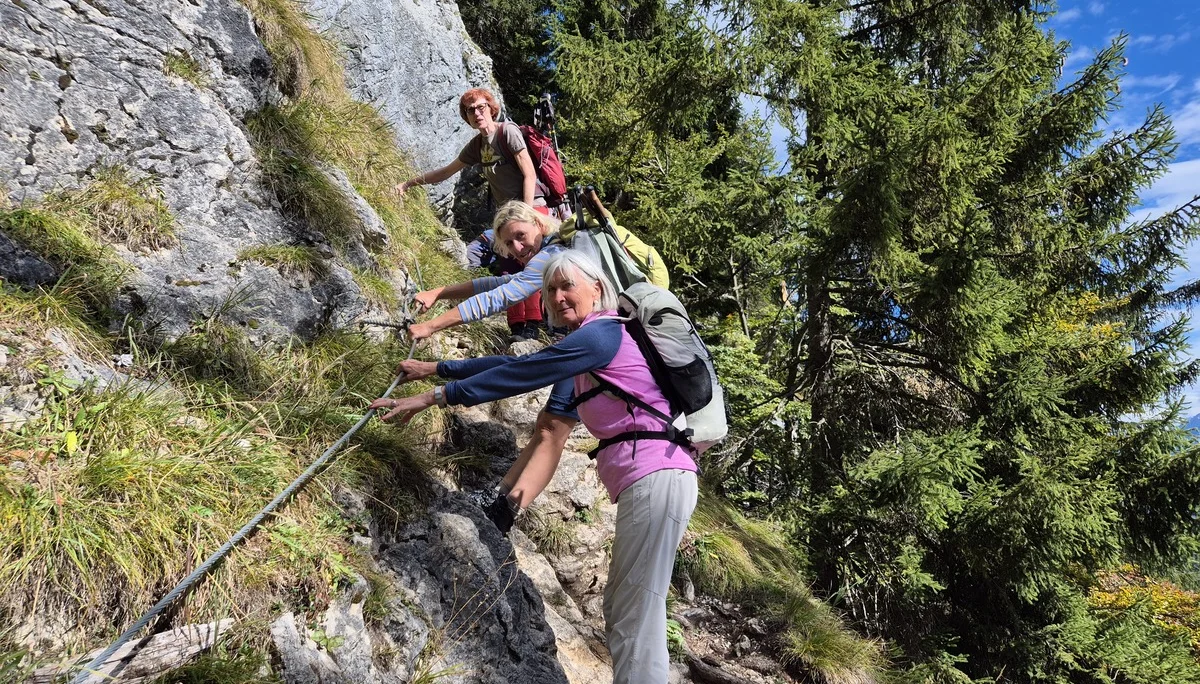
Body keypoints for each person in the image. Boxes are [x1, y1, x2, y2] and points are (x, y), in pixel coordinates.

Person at [369, 251, 699, 684]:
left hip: (658, 476)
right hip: (654, 479)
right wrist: (434, 370)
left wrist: (433, 396)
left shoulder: (601, 336)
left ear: (597, 289)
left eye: (569, 286)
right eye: (552, 290)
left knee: (637, 608)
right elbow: (514, 365)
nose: (559, 297)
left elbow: (523, 374)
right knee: (624, 604)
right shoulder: (591, 341)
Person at [407, 201, 563, 342]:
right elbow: (499, 284)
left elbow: (498, 298)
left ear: (538, 223)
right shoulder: (553, 248)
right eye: (509, 243)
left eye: (521, 235)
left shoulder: (549, 255)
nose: (517, 248)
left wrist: (429, 327)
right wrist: (438, 293)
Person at [394, 88, 545, 210]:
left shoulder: (508, 132)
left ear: (491, 110)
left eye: (481, 107)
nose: (477, 113)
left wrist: (526, 214)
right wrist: (408, 184)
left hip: (532, 206)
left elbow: (530, 175)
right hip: (508, 212)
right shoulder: (477, 145)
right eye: (470, 110)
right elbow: (446, 172)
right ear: (467, 117)